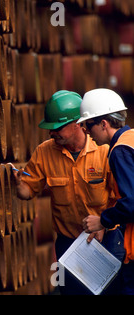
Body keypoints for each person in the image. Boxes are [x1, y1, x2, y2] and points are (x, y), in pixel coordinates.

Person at [10, 90, 117, 295]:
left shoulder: (104, 150)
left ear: (77, 123)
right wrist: (17, 183)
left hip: (106, 240)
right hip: (68, 245)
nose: (51, 133)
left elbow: (120, 197)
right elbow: (26, 192)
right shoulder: (44, 152)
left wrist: (105, 222)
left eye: (57, 127)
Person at [80, 88, 134, 295]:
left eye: (88, 124)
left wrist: (103, 220)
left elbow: (131, 203)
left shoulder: (120, 150)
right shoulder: (132, 138)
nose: (86, 131)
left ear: (104, 124)